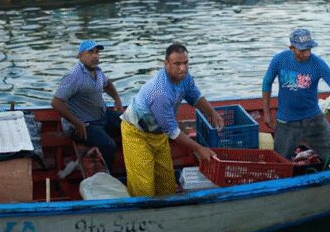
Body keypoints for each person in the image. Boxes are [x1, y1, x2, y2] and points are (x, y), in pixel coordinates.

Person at [120, 43, 224, 197]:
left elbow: (195, 97)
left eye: (185, 63)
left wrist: (213, 113)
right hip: (137, 133)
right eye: (177, 64)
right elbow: (173, 132)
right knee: (144, 188)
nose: (183, 68)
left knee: (167, 185)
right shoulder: (160, 92)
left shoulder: (185, 78)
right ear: (166, 64)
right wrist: (200, 149)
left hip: (158, 132)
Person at [262, 28, 330, 161]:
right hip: (287, 120)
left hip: (313, 119)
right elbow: (266, 83)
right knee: (280, 161)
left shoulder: (318, 64)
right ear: (292, 48)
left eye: (309, 49)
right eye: (302, 50)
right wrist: (267, 113)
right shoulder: (279, 60)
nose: (307, 54)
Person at [51, 40, 124, 171]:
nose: (95, 56)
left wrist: (117, 98)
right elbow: (56, 102)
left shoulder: (98, 71)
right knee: (109, 145)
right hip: (82, 124)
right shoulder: (73, 76)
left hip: (100, 116)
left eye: (97, 52)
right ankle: (105, 180)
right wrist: (77, 123)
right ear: (80, 56)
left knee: (130, 126)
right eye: (90, 52)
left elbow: (107, 84)